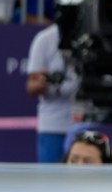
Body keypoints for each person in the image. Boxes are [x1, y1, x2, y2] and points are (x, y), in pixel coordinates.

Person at [27, 11, 81, 162]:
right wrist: (43, 81)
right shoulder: (44, 39)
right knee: (49, 182)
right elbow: (31, 85)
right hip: (53, 125)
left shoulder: (95, 35)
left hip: (85, 123)